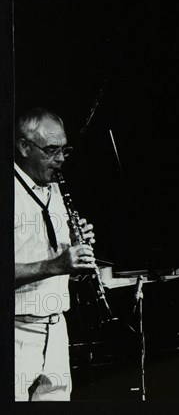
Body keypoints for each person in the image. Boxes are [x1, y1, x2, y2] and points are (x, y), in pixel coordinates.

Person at [14, 108, 96, 401]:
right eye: (51, 150)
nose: (61, 159)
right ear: (24, 147)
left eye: (64, 150)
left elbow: (46, 246)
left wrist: (74, 243)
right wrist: (55, 265)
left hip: (56, 326)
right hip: (16, 330)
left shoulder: (54, 186)